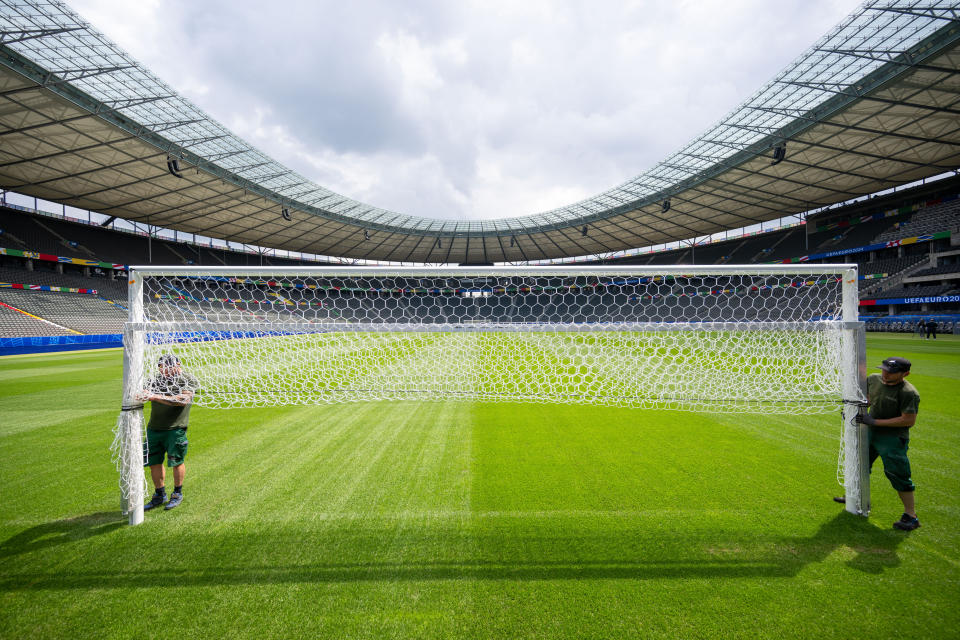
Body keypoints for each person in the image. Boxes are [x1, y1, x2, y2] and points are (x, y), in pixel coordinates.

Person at [834, 356, 921, 530]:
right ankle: (856, 498)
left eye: (891, 372)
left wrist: (874, 422)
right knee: (859, 464)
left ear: (906, 374)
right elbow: (868, 399)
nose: (885, 374)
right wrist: (853, 410)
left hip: (892, 438)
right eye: (884, 369)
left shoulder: (908, 393)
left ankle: (911, 516)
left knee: (898, 473)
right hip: (871, 431)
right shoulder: (874, 379)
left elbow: (908, 420)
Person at [139, 354, 198, 511]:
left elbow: (182, 400)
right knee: (153, 462)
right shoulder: (154, 380)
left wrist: (154, 397)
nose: (165, 371)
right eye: (162, 368)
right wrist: (142, 395)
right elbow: (145, 393)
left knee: (176, 461)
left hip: (175, 429)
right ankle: (159, 494)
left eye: (170, 367)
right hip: (154, 428)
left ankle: (177, 493)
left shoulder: (186, 379)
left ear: (178, 365)